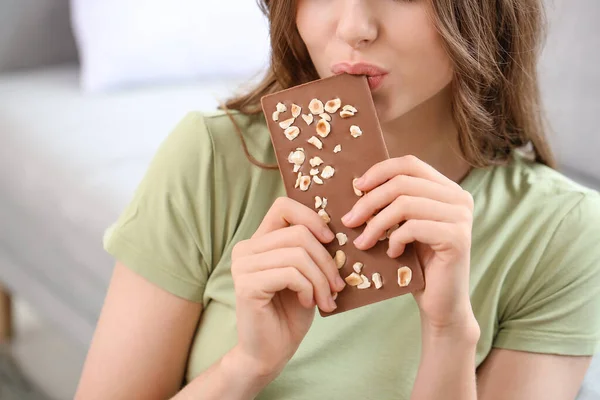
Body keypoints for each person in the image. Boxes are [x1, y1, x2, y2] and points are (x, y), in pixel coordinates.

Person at [75, 1, 600, 399]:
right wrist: (247, 365)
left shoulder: (562, 232)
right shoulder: (213, 159)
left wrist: (449, 334)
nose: (354, 28)